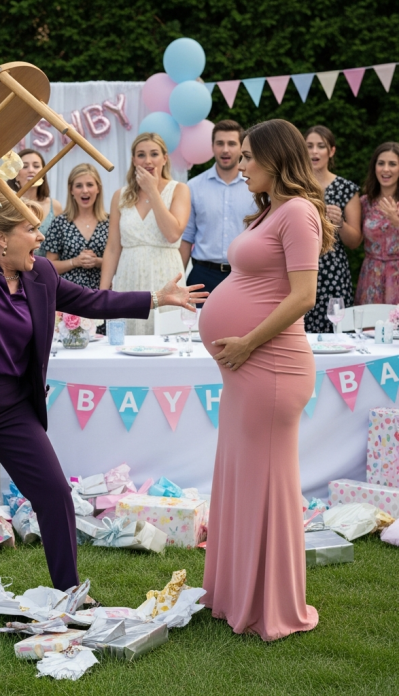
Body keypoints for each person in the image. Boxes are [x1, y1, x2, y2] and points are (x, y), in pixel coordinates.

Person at [0, 116, 208, 609]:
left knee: (54, 495)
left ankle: (69, 592)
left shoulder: (42, 274)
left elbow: (93, 301)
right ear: (2, 239)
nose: (39, 237)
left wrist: (158, 297)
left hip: (12, 407)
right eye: (31, 230)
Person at [199, 119, 335, 641]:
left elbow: (304, 296)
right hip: (246, 370)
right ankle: (236, 594)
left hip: (272, 365)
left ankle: (271, 605)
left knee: (268, 483)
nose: (241, 165)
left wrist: (248, 342)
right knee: (242, 477)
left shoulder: (298, 211)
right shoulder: (270, 211)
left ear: (277, 159)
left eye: (250, 156)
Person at [99, 132, 191, 335]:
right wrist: (102, 294)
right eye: (141, 155)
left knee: (167, 339)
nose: (147, 160)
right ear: (134, 160)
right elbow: (113, 248)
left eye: (154, 154)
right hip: (128, 277)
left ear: (164, 158)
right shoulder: (120, 195)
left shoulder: (179, 190)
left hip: (165, 274)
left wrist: (152, 191)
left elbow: (173, 234)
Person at [179, 120, 255, 295]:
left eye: (232, 144)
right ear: (212, 147)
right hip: (202, 276)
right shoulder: (193, 186)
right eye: (220, 143)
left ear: (241, 148)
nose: (225, 149)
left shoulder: (255, 188)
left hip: (245, 276)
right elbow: (187, 238)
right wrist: (179, 279)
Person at [304, 125, 362, 332]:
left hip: (333, 272)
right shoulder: (293, 186)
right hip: (298, 266)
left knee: (335, 333)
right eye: (309, 146)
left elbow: (355, 242)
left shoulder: (346, 188)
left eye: (321, 146)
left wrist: (340, 224)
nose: (314, 151)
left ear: (332, 151)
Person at [43, 163, 108, 290]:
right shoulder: (60, 223)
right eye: (79, 186)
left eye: (90, 185)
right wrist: (75, 262)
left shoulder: (110, 223)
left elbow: (121, 263)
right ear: (71, 190)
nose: (85, 190)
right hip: (68, 294)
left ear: (98, 188)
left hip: (101, 293)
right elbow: (49, 266)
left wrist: (98, 262)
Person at [355, 142, 399, 305]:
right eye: (381, 163)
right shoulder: (365, 202)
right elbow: (355, 240)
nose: (385, 169)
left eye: (392, 164)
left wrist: (396, 221)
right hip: (371, 276)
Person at [11, 148, 62, 243]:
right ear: (16, 175)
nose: (31, 170)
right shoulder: (8, 204)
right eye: (25, 166)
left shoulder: (55, 206)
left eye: (36, 166)